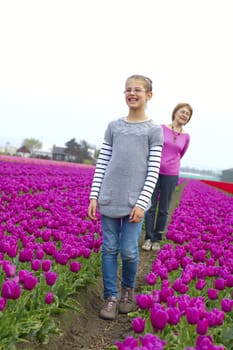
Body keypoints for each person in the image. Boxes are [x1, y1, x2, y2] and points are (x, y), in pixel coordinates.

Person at [88, 74, 163, 320]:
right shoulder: (114, 127)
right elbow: (103, 162)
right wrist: (94, 195)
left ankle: (127, 292)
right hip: (109, 196)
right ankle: (110, 296)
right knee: (109, 248)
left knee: (129, 251)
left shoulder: (154, 130)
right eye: (128, 90)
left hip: (134, 202)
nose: (132, 93)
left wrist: (142, 202)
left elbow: (153, 171)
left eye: (138, 90)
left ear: (149, 95)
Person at [142, 102, 193, 252]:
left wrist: (170, 163)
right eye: (182, 112)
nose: (184, 115)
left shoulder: (186, 136)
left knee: (164, 208)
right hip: (154, 171)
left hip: (171, 174)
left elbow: (180, 154)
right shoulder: (161, 128)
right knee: (150, 206)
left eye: (187, 114)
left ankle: (157, 238)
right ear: (175, 112)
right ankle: (148, 238)